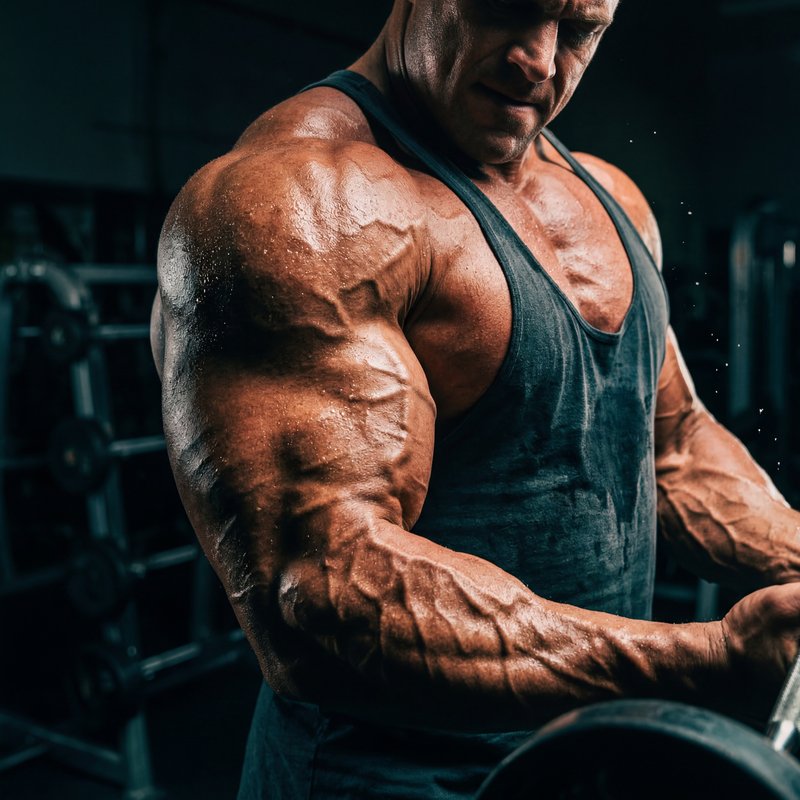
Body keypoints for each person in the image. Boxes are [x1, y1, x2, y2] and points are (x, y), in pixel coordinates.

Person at [150, 0, 800, 797]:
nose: (539, 58)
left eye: (580, 29)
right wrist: (706, 665)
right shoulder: (297, 203)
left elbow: (672, 447)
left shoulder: (611, 199)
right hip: (390, 783)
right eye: (508, 8)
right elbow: (317, 590)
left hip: (585, 763)